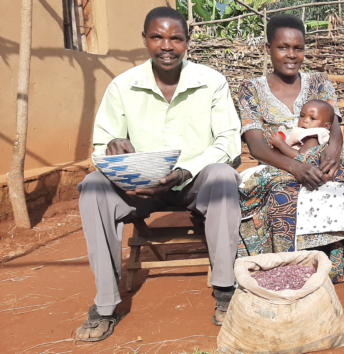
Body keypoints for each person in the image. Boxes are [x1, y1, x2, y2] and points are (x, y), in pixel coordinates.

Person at [75, 7, 242, 341]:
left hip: (195, 182)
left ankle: (225, 290)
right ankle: (106, 304)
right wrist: (113, 148)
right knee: (93, 186)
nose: (167, 45)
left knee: (223, 175)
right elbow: (100, 144)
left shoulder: (211, 82)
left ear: (188, 41)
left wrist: (185, 171)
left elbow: (228, 140)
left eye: (176, 38)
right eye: (157, 37)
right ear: (145, 39)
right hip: (138, 187)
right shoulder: (122, 86)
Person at [237, 14, 344, 298]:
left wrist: (334, 151)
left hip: (324, 152)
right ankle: (296, 268)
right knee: (288, 189)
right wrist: (296, 167)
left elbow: (334, 126)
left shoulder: (319, 81)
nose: (291, 55)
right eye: (283, 47)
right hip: (280, 160)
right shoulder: (252, 89)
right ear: (267, 49)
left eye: (298, 48)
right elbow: (257, 146)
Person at [268, 100, 333, 158]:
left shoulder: (313, 139)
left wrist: (281, 144)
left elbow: (300, 157)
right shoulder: (301, 133)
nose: (305, 120)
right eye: (302, 116)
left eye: (312, 118)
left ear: (326, 126)